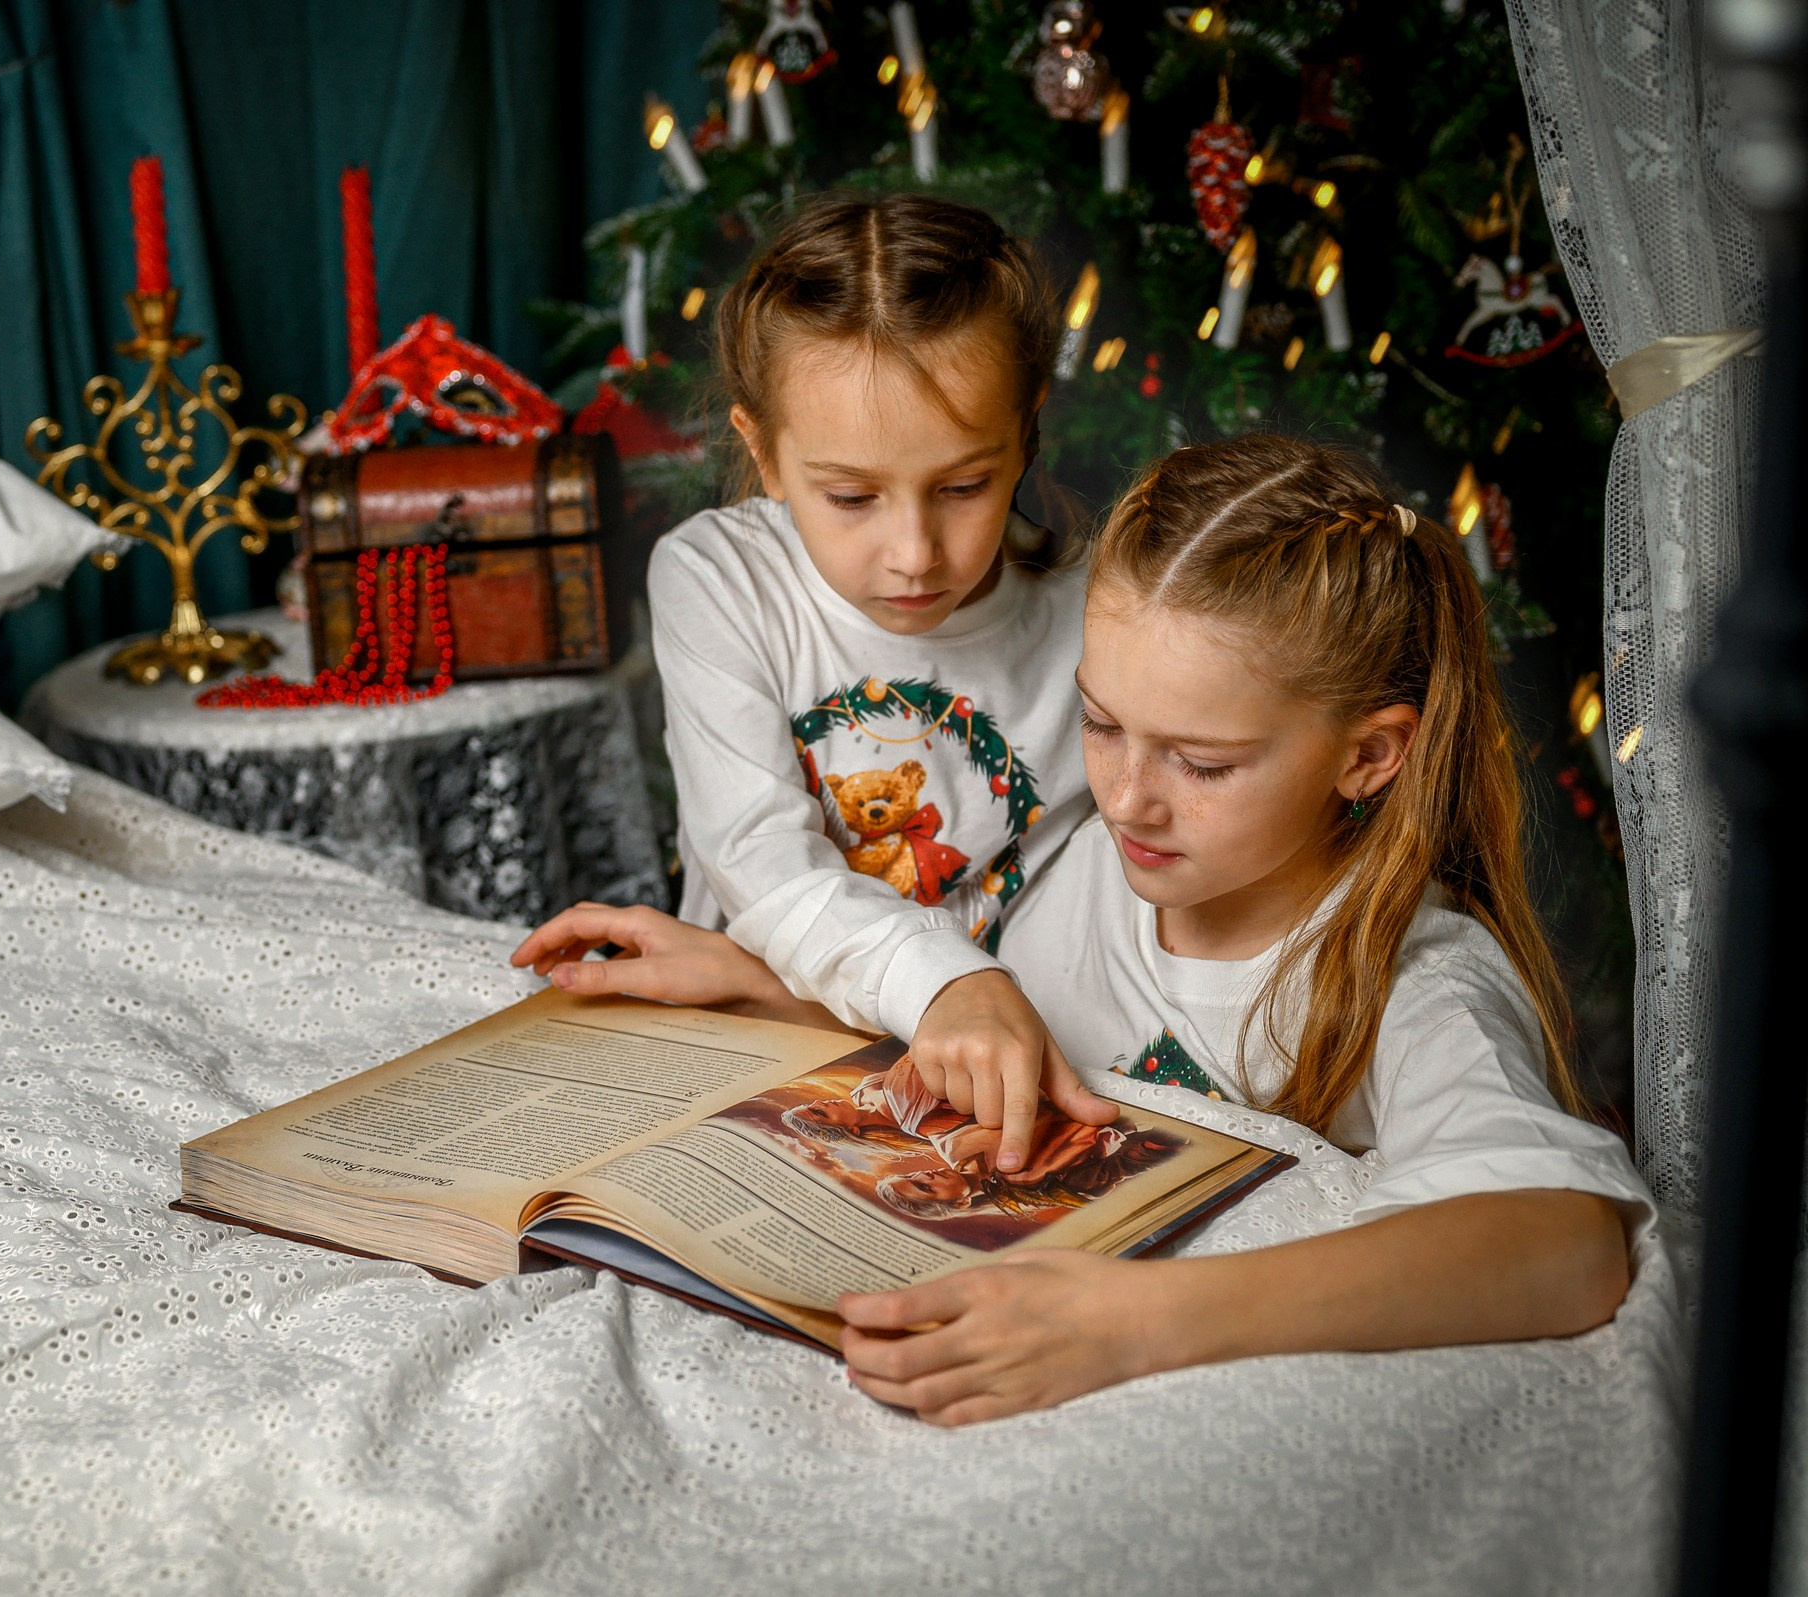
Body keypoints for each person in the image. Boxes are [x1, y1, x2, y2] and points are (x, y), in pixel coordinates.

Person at [512, 434, 1646, 1426]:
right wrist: (759, 986)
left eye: (1203, 763)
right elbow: (1026, 1027)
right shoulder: (1096, 867)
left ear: (1368, 755)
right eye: (1103, 724)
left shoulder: (1414, 973)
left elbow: (1563, 1241)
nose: (1130, 798)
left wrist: (1126, 1322)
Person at [569, 191, 1114, 1179]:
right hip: (753, 1063)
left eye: (962, 487)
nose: (912, 554)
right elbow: (765, 871)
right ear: (764, 451)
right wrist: (945, 983)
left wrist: (765, 981)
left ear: (1026, 429)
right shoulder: (718, 579)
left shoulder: (1100, 613)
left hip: (991, 1071)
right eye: (852, 496)